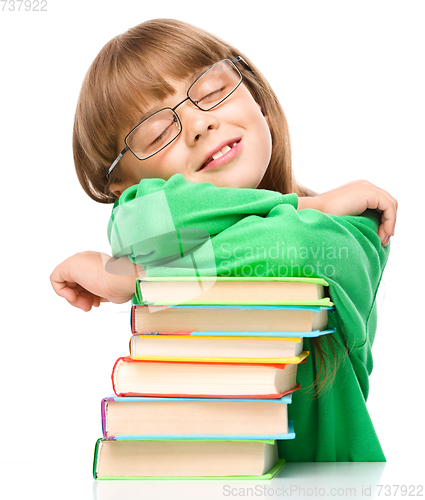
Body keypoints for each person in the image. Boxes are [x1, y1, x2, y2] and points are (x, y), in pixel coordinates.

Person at [50, 19, 397, 461]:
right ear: (126, 187)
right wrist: (310, 206)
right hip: (202, 471)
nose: (198, 123)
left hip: (328, 476)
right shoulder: (327, 209)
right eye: (157, 133)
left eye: (212, 90)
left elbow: (293, 247)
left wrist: (140, 279)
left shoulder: (356, 223)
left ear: (256, 99)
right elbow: (141, 225)